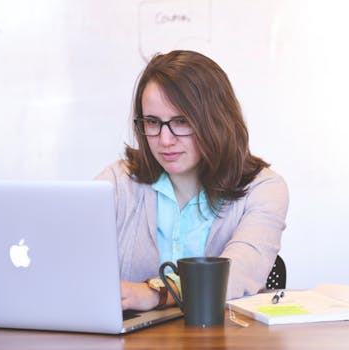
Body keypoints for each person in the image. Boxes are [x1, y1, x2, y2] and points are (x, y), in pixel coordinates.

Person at [96, 50, 289, 311]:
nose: (165, 140)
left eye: (181, 121)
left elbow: (239, 272)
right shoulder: (117, 182)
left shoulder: (264, 189)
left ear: (216, 121)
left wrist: (157, 293)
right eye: (153, 122)